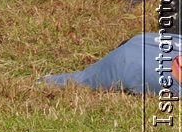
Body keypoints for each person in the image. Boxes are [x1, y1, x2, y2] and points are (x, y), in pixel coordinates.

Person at [42, 31, 180, 94]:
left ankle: (43, 81)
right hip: (131, 63)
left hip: (153, 45)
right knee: (82, 80)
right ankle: (42, 81)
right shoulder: (132, 66)